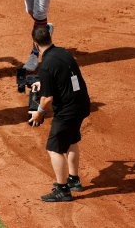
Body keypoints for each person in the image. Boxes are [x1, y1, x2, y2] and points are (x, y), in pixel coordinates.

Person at [28, 26, 90, 202]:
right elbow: (63, 76)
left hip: (67, 111)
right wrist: (44, 83)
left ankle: (62, 190)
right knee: (71, 141)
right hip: (81, 104)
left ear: (35, 43)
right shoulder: (64, 53)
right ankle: (74, 180)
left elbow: (47, 100)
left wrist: (38, 114)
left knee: (54, 148)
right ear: (50, 37)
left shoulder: (46, 65)